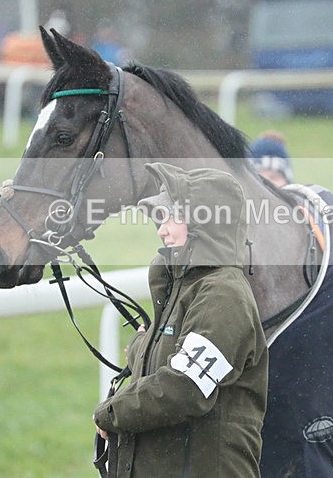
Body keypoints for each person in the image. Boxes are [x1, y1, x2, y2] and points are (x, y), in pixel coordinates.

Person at [93, 163, 269, 477]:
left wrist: (112, 413)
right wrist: (142, 347)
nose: (161, 230)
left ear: (207, 223)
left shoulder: (223, 295)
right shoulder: (183, 286)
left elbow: (184, 387)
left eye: (172, 218)